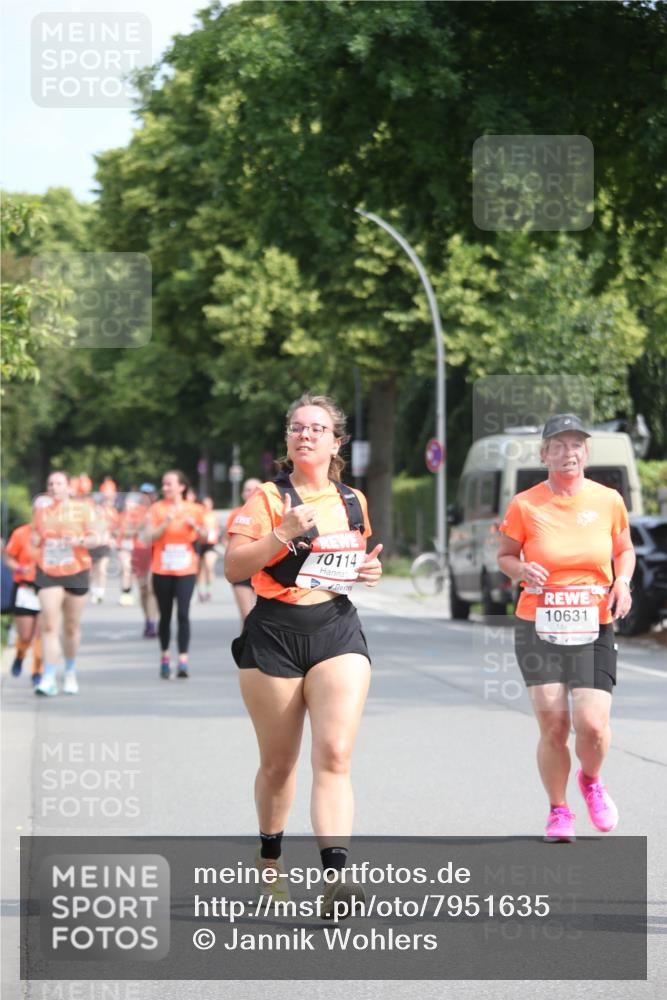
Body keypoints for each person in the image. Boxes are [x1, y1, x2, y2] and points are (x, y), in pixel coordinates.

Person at [225, 392, 382, 915]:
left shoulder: (353, 501)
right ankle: (270, 857)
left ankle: (336, 880)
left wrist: (367, 572)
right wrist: (280, 535)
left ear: (336, 442)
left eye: (317, 428)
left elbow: (351, 563)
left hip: (335, 628)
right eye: (296, 427)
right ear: (288, 442)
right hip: (273, 635)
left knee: (335, 754)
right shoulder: (269, 499)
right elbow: (234, 568)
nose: (305, 434)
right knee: (279, 765)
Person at [497, 414, 635, 842]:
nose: (568, 452)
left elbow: (624, 549)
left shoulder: (608, 500)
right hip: (538, 625)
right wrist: (521, 568)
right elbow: (505, 555)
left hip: (594, 623)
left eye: (575, 445)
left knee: (592, 724)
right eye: (558, 446)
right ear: (543, 455)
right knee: (555, 725)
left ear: (586, 453)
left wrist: (622, 582)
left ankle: (591, 779)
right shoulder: (525, 504)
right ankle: (559, 811)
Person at [31, 471, 97, 696]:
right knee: (49, 625)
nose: (54, 487)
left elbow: (96, 538)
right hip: (48, 570)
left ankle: (70, 671)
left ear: (69, 487)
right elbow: (35, 538)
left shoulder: (83, 509)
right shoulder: (41, 512)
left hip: (76, 570)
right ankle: (48, 677)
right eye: (50, 483)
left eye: (59, 483)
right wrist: (35, 541)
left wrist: (78, 540)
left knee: (71, 627)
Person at [148, 470, 207, 679]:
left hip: (186, 568)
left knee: (183, 614)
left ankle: (183, 660)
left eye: (169, 484)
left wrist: (195, 526)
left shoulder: (195, 509)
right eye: (163, 484)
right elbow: (149, 537)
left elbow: (206, 536)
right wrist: (166, 522)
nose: (165, 488)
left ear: (181, 487)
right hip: (162, 568)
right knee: (165, 615)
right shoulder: (157, 509)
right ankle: (165, 657)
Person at [4, 519, 42, 684]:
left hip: (46, 590)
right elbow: (8, 558)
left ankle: (37, 672)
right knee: (26, 636)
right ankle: (20, 656)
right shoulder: (21, 533)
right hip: (25, 589)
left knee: (41, 635)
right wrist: (20, 568)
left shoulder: (56, 536)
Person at [223, 478, 262, 623]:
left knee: (263, 617)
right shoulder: (236, 513)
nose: (250, 493)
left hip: (262, 568)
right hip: (242, 568)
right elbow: (227, 538)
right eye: (247, 489)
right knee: (247, 615)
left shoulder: (268, 511)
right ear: (242, 494)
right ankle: (246, 645)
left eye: (254, 489)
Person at [196, 496, 221, 602]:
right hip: (200, 544)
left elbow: (217, 529)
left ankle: (209, 590)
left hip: (210, 544)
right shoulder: (199, 515)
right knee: (200, 569)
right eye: (204, 504)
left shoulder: (213, 515)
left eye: (208, 504)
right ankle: (201, 591)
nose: (206, 506)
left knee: (208, 566)